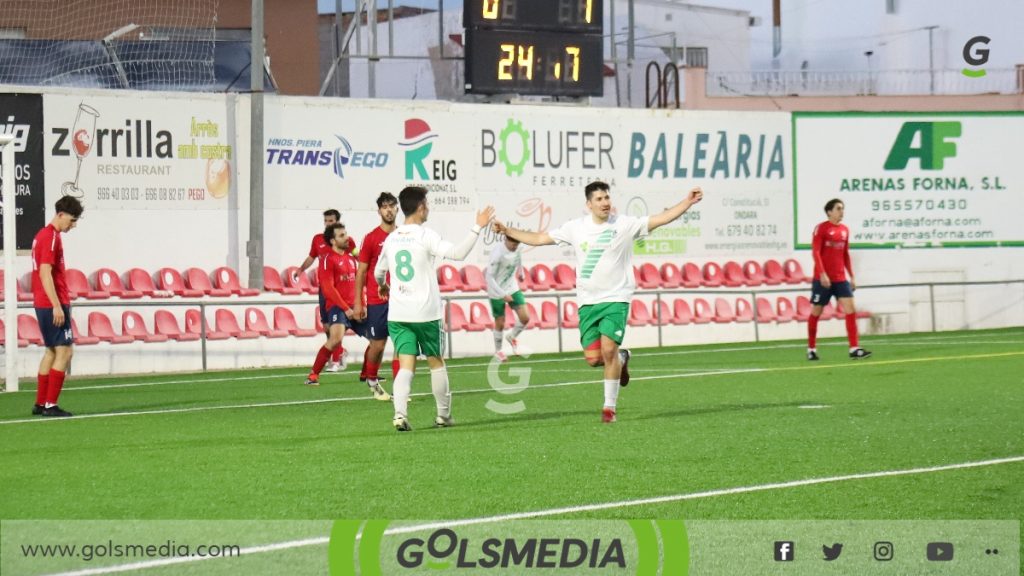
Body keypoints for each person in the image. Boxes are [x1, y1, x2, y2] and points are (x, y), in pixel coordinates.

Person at [494, 181, 703, 423]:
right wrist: (508, 230)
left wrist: (687, 202)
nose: (605, 202)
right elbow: (540, 238)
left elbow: (661, 218)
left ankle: (609, 409)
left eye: (607, 198)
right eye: (599, 199)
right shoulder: (575, 228)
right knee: (594, 359)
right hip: (588, 302)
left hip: (616, 298)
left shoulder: (624, 225)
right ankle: (622, 359)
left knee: (608, 349)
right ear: (589, 204)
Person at [374, 186, 494, 432]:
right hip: (426, 314)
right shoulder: (425, 235)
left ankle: (399, 414)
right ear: (420, 207)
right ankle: (443, 416)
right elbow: (458, 253)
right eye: (426, 204)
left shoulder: (392, 238)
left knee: (406, 364)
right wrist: (477, 226)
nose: (428, 208)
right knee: (435, 362)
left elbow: (378, 272)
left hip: (399, 315)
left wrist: (383, 286)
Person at [305, 223, 390, 400]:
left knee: (376, 340)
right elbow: (328, 288)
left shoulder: (352, 259)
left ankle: (366, 373)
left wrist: (362, 305)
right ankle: (313, 375)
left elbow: (360, 284)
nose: (347, 238)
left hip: (356, 307)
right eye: (342, 235)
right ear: (333, 240)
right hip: (339, 307)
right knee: (335, 339)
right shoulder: (328, 259)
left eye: (346, 234)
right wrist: (346, 309)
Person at [31, 196, 84, 417]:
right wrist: (56, 305)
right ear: (61, 215)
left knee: (52, 351)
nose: (73, 225)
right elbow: (45, 272)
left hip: (42, 302)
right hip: (52, 302)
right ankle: (50, 405)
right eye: (72, 220)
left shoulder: (43, 236)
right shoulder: (50, 237)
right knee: (65, 351)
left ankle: (41, 403)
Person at [807, 198, 871, 361]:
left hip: (840, 279)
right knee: (817, 311)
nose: (842, 212)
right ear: (829, 212)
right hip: (823, 280)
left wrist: (852, 276)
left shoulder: (844, 230)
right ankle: (812, 349)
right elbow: (815, 252)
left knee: (851, 309)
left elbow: (845, 254)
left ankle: (854, 348)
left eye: (842, 209)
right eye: (838, 209)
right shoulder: (821, 228)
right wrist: (822, 273)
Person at [295, 209, 355, 372]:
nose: (328, 223)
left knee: (336, 325)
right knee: (327, 327)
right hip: (325, 289)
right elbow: (311, 257)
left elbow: (356, 257)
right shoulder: (318, 240)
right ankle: (340, 352)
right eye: (326, 221)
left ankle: (335, 360)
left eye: (331, 221)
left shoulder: (345, 241)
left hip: (342, 290)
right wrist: (300, 269)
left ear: (337, 221)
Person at [353, 192, 399, 387]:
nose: (389, 210)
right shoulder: (371, 238)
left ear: (397, 208)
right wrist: (358, 302)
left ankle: (400, 388)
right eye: (385, 206)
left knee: (401, 345)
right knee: (378, 345)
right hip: (377, 299)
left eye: (392, 205)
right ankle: (371, 379)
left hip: (400, 299)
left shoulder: (403, 235)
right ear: (379, 210)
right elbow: (361, 271)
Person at [485, 235, 529, 362]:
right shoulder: (497, 254)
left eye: (517, 245)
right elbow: (489, 278)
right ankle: (498, 351)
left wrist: (521, 273)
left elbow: (519, 259)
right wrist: (502, 294)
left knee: (525, 317)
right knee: (500, 321)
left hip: (512, 287)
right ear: (506, 240)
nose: (515, 247)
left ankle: (512, 336)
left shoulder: (517, 248)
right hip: (496, 289)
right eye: (512, 244)